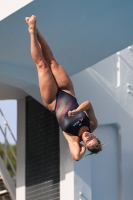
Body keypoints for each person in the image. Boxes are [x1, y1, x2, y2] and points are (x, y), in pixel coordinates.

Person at [25, 15, 103, 161]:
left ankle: (31, 31)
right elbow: (88, 104)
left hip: (53, 102)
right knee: (52, 60)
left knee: (42, 66)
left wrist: (82, 152)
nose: (88, 136)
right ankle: (36, 30)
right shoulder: (93, 124)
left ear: (84, 144)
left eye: (88, 141)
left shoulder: (73, 139)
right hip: (68, 92)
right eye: (92, 138)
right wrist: (79, 110)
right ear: (95, 136)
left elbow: (76, 157)